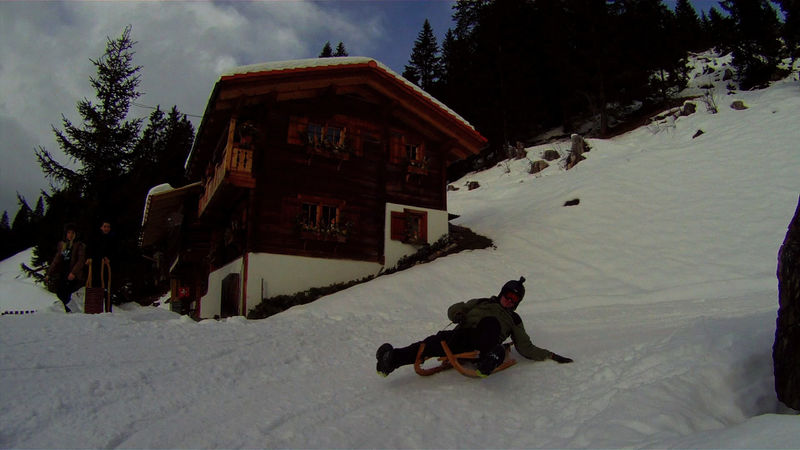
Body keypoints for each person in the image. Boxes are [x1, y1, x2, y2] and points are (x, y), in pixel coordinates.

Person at [376, 277, 574, 378]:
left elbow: (525, 346)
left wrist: (551, 355)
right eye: (507, 295)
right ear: (501, 293)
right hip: (461, 336)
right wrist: (458, 315)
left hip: (485, 342)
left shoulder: (514, 318)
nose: (509, 301)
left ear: (517, 303)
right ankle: (391, 360)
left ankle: (490, 359)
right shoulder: (480, 301)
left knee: (491, 323)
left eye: (514, 300)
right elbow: (455, 308)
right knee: (433, 341)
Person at [45, 223, 86, 313]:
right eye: (68, 233)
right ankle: (71, 310)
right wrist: (49, 273)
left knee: (66, 292)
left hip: (72, 273)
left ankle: (72, 311)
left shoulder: (79, 245)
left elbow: (81, 260)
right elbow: (56, 260)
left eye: (72, 233)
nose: (70, 235)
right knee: (60, 292)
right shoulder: (62, 245)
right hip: (62, 272)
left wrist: (73, 272)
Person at [88, 220, 117, 312]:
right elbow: (92, 250)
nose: (106, 229)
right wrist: (91, 258)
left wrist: (109, 258)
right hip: (97, 266)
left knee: (108, 288)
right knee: (97, 287)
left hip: (107, 266)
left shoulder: (112, 239)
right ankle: (95, 308)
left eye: (108, 227)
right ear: (101, 227)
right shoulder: (96, 238)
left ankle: (108, 309)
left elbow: (115, 251)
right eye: (105, 226)